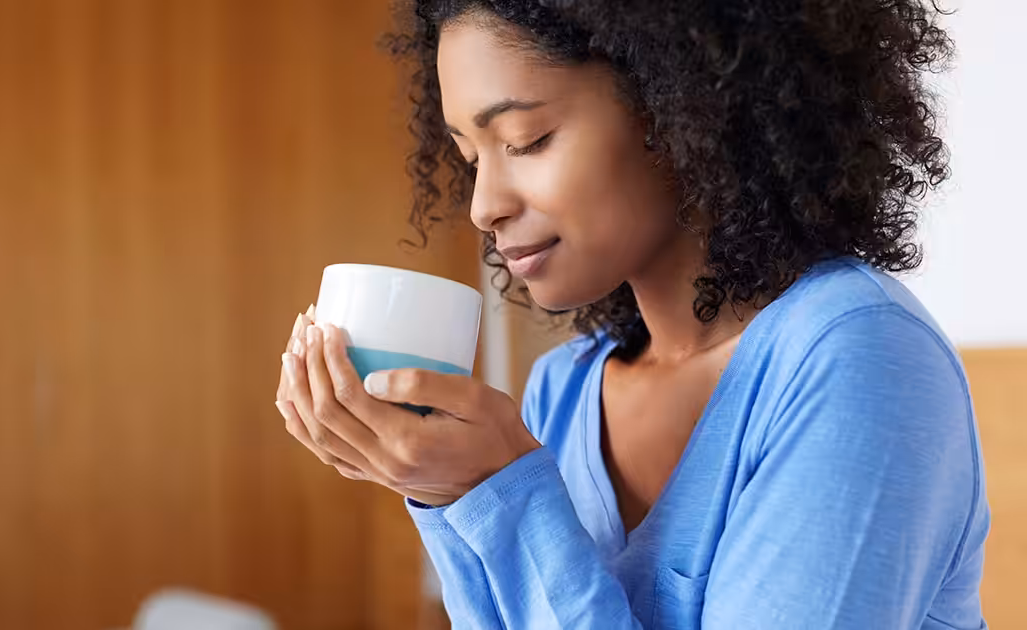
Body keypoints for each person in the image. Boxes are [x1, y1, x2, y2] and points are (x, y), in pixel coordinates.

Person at [275, 0, 989, 627]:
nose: (482, 205)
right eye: (469, 158)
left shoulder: (856, 358)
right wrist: (444, 493)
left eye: (525, 141)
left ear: (684, 102)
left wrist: (500, 495)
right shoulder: (563, 391)